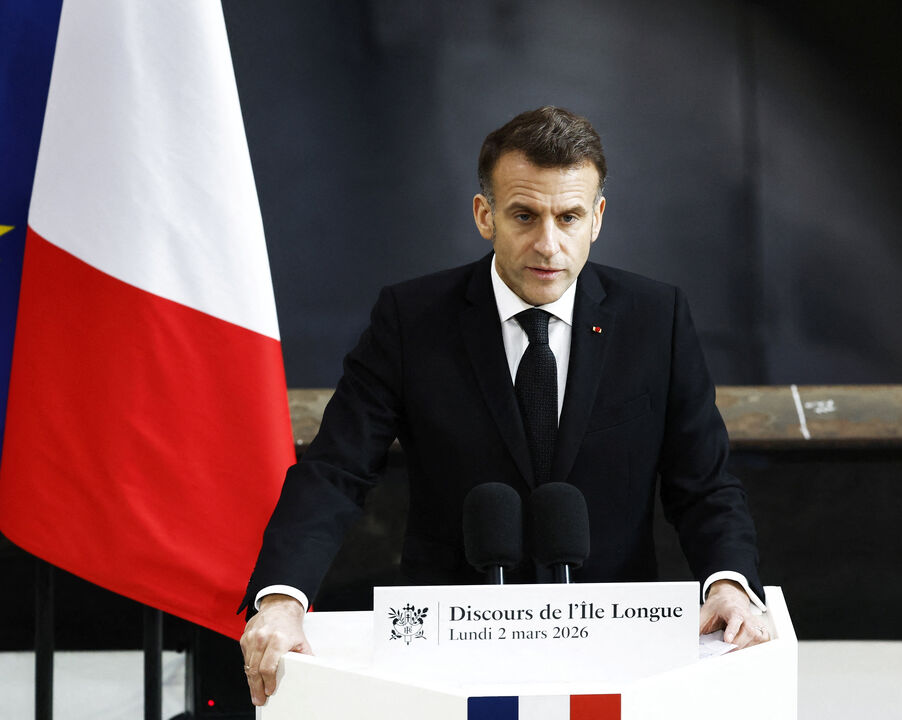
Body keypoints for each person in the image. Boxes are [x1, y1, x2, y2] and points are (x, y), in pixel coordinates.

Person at [240, 106, 768, 706]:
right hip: (446, 650)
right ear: (484, 214)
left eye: (569, 217)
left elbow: (703, 484)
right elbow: (336, 470)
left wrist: (729, 583)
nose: (549, 244)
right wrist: (282, 599)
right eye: (525, 216)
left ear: (596, 218)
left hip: (613, 646)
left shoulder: (656, 319)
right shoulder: (412, 320)